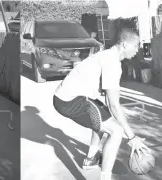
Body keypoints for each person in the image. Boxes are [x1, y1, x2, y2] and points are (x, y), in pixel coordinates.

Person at [52, 28, 149, 180]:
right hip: (70, 100)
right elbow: (113, 104)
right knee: (116, 131)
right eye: (136, 45)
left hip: (69, 96)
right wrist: (131, 137)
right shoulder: (112, 62)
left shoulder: (109, 56)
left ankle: (91, 159)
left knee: (105, 117)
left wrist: (121, 113)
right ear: (124, 44)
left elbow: (111, 104)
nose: (138, 50)